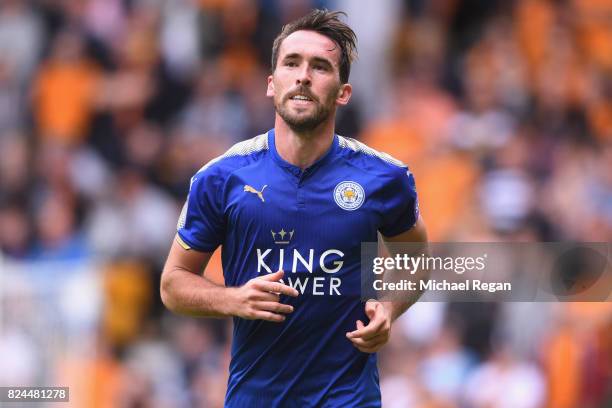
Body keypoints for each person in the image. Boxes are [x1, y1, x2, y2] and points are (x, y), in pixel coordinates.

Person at [160, 9, 428, 407]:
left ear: (343, 92)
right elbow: (172, 284)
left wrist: (388, 307)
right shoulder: (222, 177)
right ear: (272, 84)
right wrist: (234, 300)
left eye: (320, 66)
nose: (303, 75)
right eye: (292, 63)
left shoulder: (384, 178)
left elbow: (416, 259)